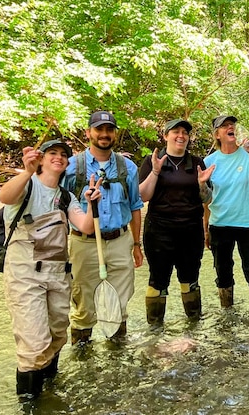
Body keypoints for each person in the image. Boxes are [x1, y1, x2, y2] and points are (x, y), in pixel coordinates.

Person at [0, 140, 102, 401]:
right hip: (25, 275)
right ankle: (30, 404)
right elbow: (5, 197)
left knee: (56, 338)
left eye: (63, 155)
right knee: (34, 344)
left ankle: (49, 393)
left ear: (67, 163)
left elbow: (86, 226)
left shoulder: (66, 196)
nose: (58, 158)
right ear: (41, 159)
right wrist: (26, 172)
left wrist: (92, 204)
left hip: (58, 274)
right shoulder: (27, 185)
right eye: (52, 153)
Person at [63, 110, 145, 345]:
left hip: (120, 242)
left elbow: (135, 206)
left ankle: (117, 362)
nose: (104, 134)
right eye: (99, 129)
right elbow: (58, 204)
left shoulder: (127, 168)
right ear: (89, 132)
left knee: (118, 306)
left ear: (115, 134)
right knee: (83, 308)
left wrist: (137, 245)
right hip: (84, 243)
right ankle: (83, 359)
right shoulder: (71, 167)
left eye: (109, 130)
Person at [138, 119, 215, 326]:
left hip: (190, 230)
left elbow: (207, 199)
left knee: (190, 279)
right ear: (166, 136)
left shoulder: (197, 162)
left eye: (185, 133)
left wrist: (201, 184)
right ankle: (155, 329)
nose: (181, 136)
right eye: (176, 132)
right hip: (159, 231)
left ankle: (193, 326)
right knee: (158, 279)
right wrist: (155, 171)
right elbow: (142, 197)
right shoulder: (152, 160)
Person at [203, 115, 249, 311]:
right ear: (217, 134)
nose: (230, 127)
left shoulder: (248, 155)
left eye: (232, 125)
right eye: (225, 126)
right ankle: (226, 315)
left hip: (248, 223)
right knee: (222, 272)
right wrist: (205, 229)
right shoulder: (209, 161)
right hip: (220, 223)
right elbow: (206, 199)